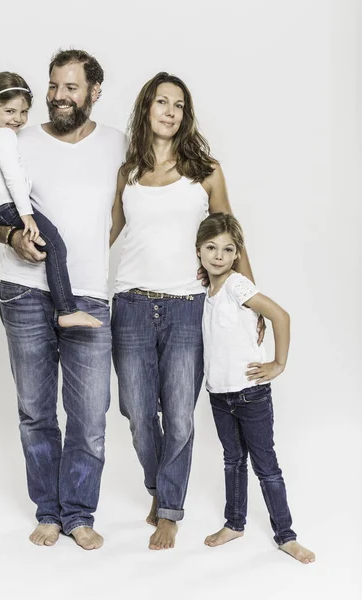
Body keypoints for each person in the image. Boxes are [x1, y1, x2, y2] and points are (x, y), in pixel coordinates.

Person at [0, 49, 126, 550]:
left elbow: (127, 209)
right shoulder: (14, 137)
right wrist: (13, 238)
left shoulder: (116, 144)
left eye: (72, 87)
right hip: (24, 292)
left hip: (89, 295)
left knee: (89, 416)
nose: (59, 97)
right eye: (54, 86)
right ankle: (48, 511)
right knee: (36, 412)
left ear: (94, 92)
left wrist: (90, 256)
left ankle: (79, 512)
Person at [109, 72, 264, 550]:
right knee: (137, 410)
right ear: (146, 109)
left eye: (179, 104)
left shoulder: (206, 171)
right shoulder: (127, 171)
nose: (170, 111)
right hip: (131, 302)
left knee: (178, 414)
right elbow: (108, 234)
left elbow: (232, 236)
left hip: (186, 306)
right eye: (161, 102)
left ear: (186, 114)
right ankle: (158, 485)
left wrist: (249, 296)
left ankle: (170, 509)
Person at [196, 212, 315, 564]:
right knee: (232, 460)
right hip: (219, 395)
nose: (219, 255)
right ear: (199, 250)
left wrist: (278, 364)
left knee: (266, 465)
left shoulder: (236, 285)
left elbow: (281, 315)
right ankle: (235, 524)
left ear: (237, 254)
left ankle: (286, 535)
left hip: (250, 393)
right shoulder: (207, 289)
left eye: (227, 249)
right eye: (211, 247)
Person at [0, 71, 101, 329]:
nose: (18, 119)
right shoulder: (4, 136)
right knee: (55, 245)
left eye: (24, 112)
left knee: (47, 244)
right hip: (10, 208)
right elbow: (14, 178)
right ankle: (66, 309)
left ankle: (61, 306)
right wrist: (26, 215)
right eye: (9, 111)